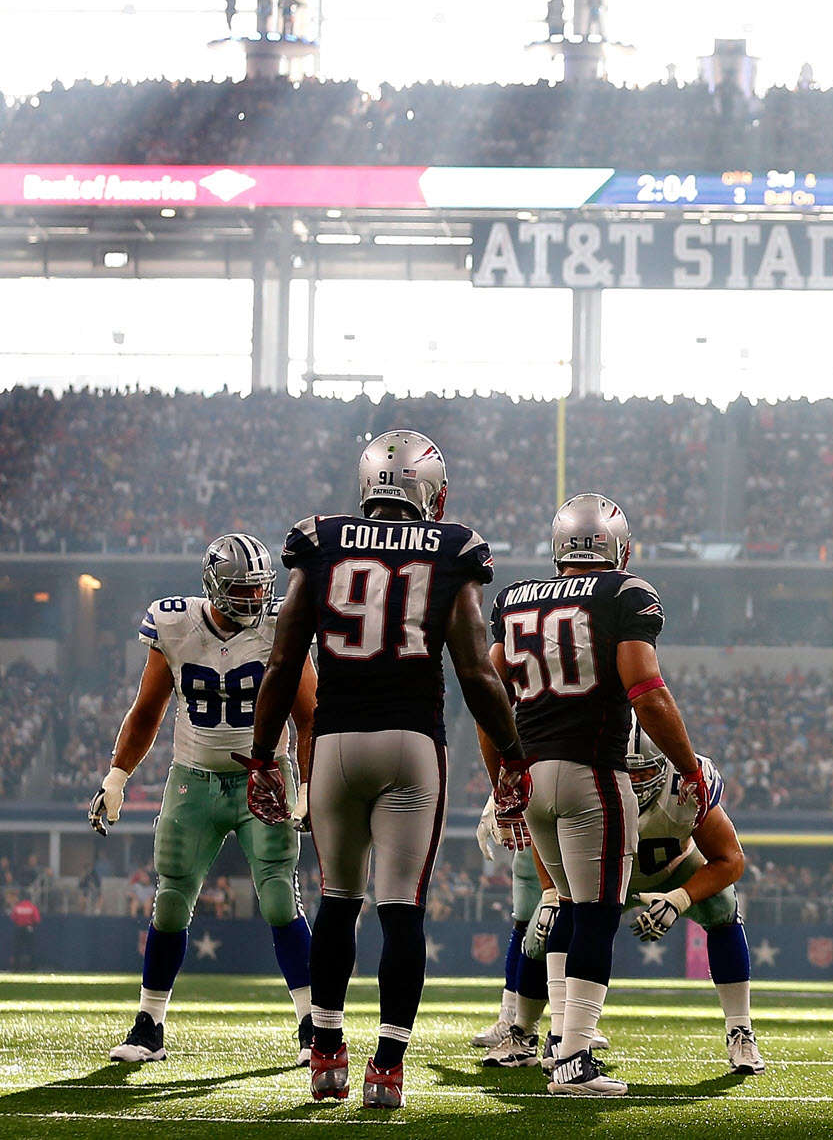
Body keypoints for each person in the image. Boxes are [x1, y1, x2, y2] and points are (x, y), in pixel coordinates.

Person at [246, 429, 529, 1109]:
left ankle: (327, 1056)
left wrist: (263, 756)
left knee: (338, 900)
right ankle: (387, 1069)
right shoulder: (451, 545)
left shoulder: (320, 538)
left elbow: (284, 662)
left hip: (337, 742)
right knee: (401, 908)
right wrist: (515, 755)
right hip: (410, 740)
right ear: (431, 491)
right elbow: (473, 669)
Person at [486, 493, 706, 1096]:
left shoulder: (513, 600)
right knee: (597, 913)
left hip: (531, 775)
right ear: (618, 547)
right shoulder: (624, 594)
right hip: (591, 775)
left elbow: (489, 700)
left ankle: (559, 1039)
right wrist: (687, 766)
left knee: (561, 902)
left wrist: (500, 777)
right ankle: (574, 1059)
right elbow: (646, 689)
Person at [95, 534, 317, 1066]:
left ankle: (314, 1022)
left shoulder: (279, 624)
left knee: (280, 899)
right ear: (214, 587)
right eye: (242, 590)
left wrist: (305, 786)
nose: (254, 600)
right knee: (170, 901)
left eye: (260, 589)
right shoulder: (174, 624)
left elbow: (309, 713)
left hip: (263, 781)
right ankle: (150, 1024)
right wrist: (118, 774)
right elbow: (147, 708)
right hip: (192, 778)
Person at [619, 736, 764, 1074]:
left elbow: (731, 860)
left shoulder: (686, 783)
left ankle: (740, 1030)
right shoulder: (590, 780)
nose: (637, 782)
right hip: (609, 875)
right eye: (629, 774)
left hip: (674, 869)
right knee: (549, 926)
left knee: (722, 905)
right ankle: (536, 1029)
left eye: (645, 773)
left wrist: (679, 898)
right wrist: (555, 894)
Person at [468, 803, 551, 1067]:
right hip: (533, 826)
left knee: (581, 917)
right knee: (525, 923)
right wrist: (495, 798)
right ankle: (510, 1018)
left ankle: (574, 1027)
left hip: (574, 814)